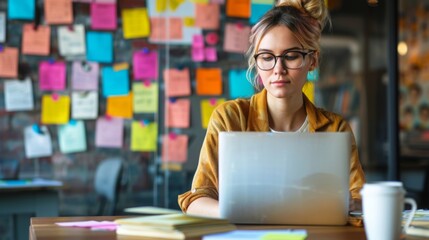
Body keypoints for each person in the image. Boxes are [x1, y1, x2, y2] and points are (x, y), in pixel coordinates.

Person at [178, 0, 365, 218]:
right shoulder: (230, 118)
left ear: (312, 60)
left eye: (291, 56)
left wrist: (348, 203)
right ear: (256, 62)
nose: (278, 69)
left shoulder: (335, 128)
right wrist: (244, 212)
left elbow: (359, 198)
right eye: (267, 57)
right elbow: (196, 199)